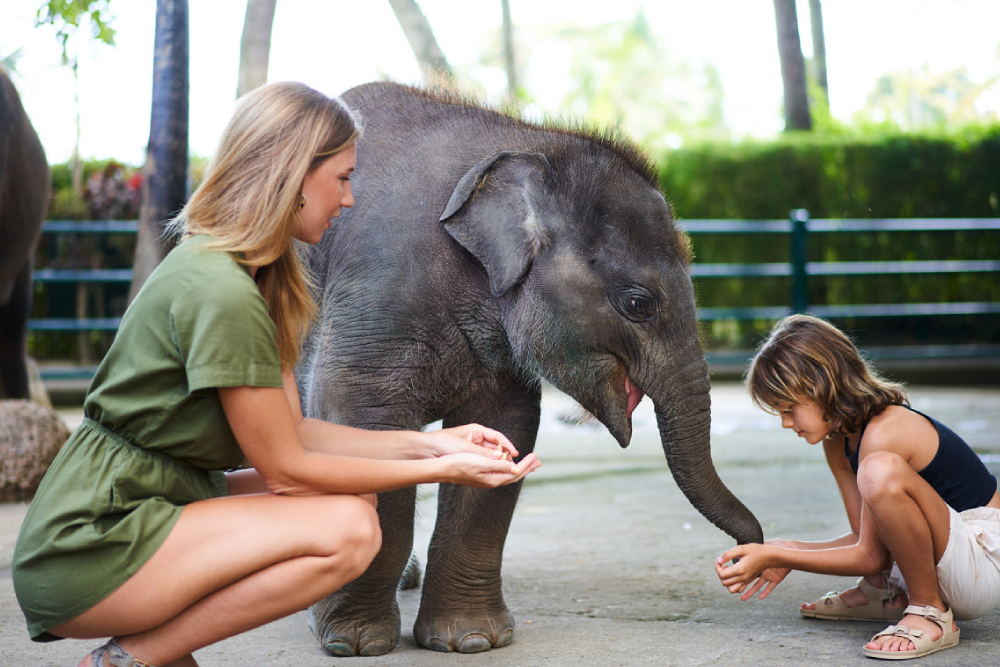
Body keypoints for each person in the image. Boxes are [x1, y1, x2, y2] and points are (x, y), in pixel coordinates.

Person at [12, 81, 541, 667]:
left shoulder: (258, 278)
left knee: (359, 489)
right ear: (291, 173)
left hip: (156, 502)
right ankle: (133, 657)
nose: (350, 199)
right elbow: (287, 471)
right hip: (93, 538)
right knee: (351, 531)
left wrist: (432, 441)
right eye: (342, 178)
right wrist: (448, 469)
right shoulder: (221, 290)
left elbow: (296, 433)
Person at [714, 314, 1000, 660]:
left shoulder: (885, 430)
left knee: (879, 470)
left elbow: (869, 556)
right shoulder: (838, 441)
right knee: (875, 475)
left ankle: (929, 612)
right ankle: (883, 592)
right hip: (947, 559)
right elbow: (866, 543)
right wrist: (785, 547)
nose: (786, 423)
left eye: (789, 409)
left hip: (983, 561)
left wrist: (777, 555)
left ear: (823, 386)